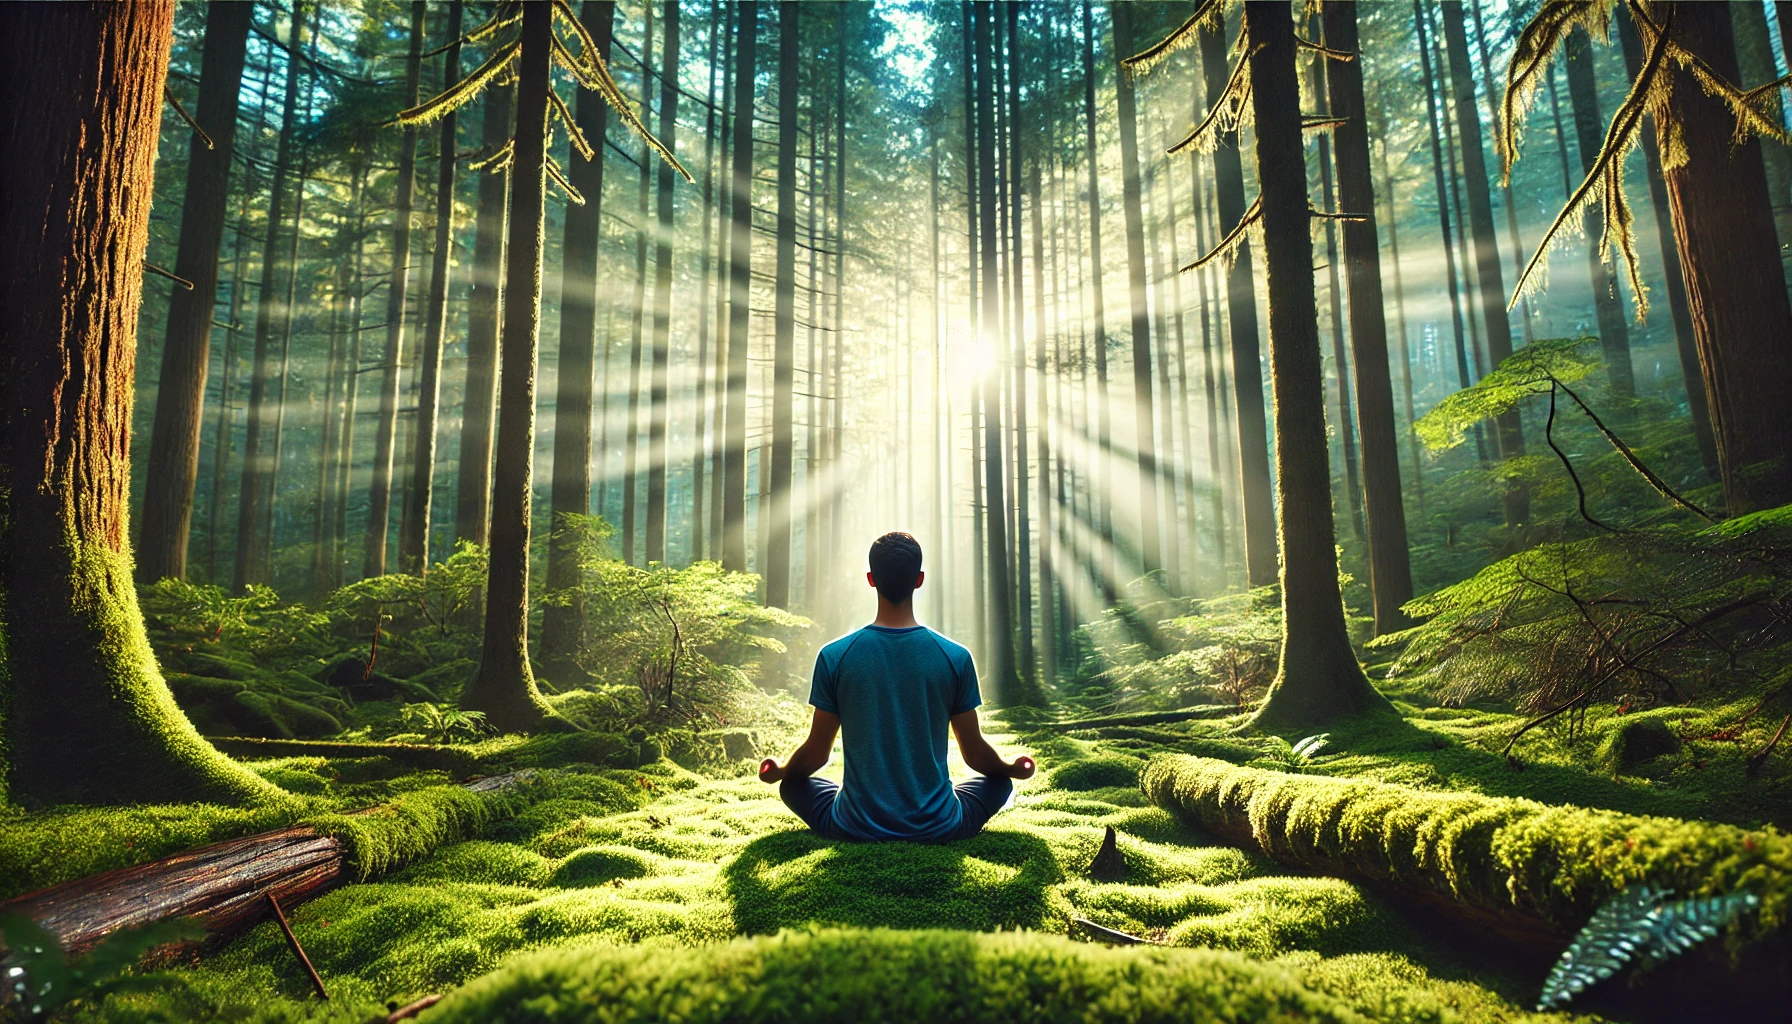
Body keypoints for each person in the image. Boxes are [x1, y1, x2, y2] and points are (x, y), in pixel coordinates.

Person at [759, 531, 1035, 842]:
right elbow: (974, 754)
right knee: (999, 783)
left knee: (793, 785)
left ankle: (856, 810)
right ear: (919, 580)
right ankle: (935, 810)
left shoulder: (834, 656)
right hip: (940, 826)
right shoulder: (955, 657)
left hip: (853, 826)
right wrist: (1011, 768)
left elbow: (815, 755)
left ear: (871, 579)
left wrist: (781, 770)